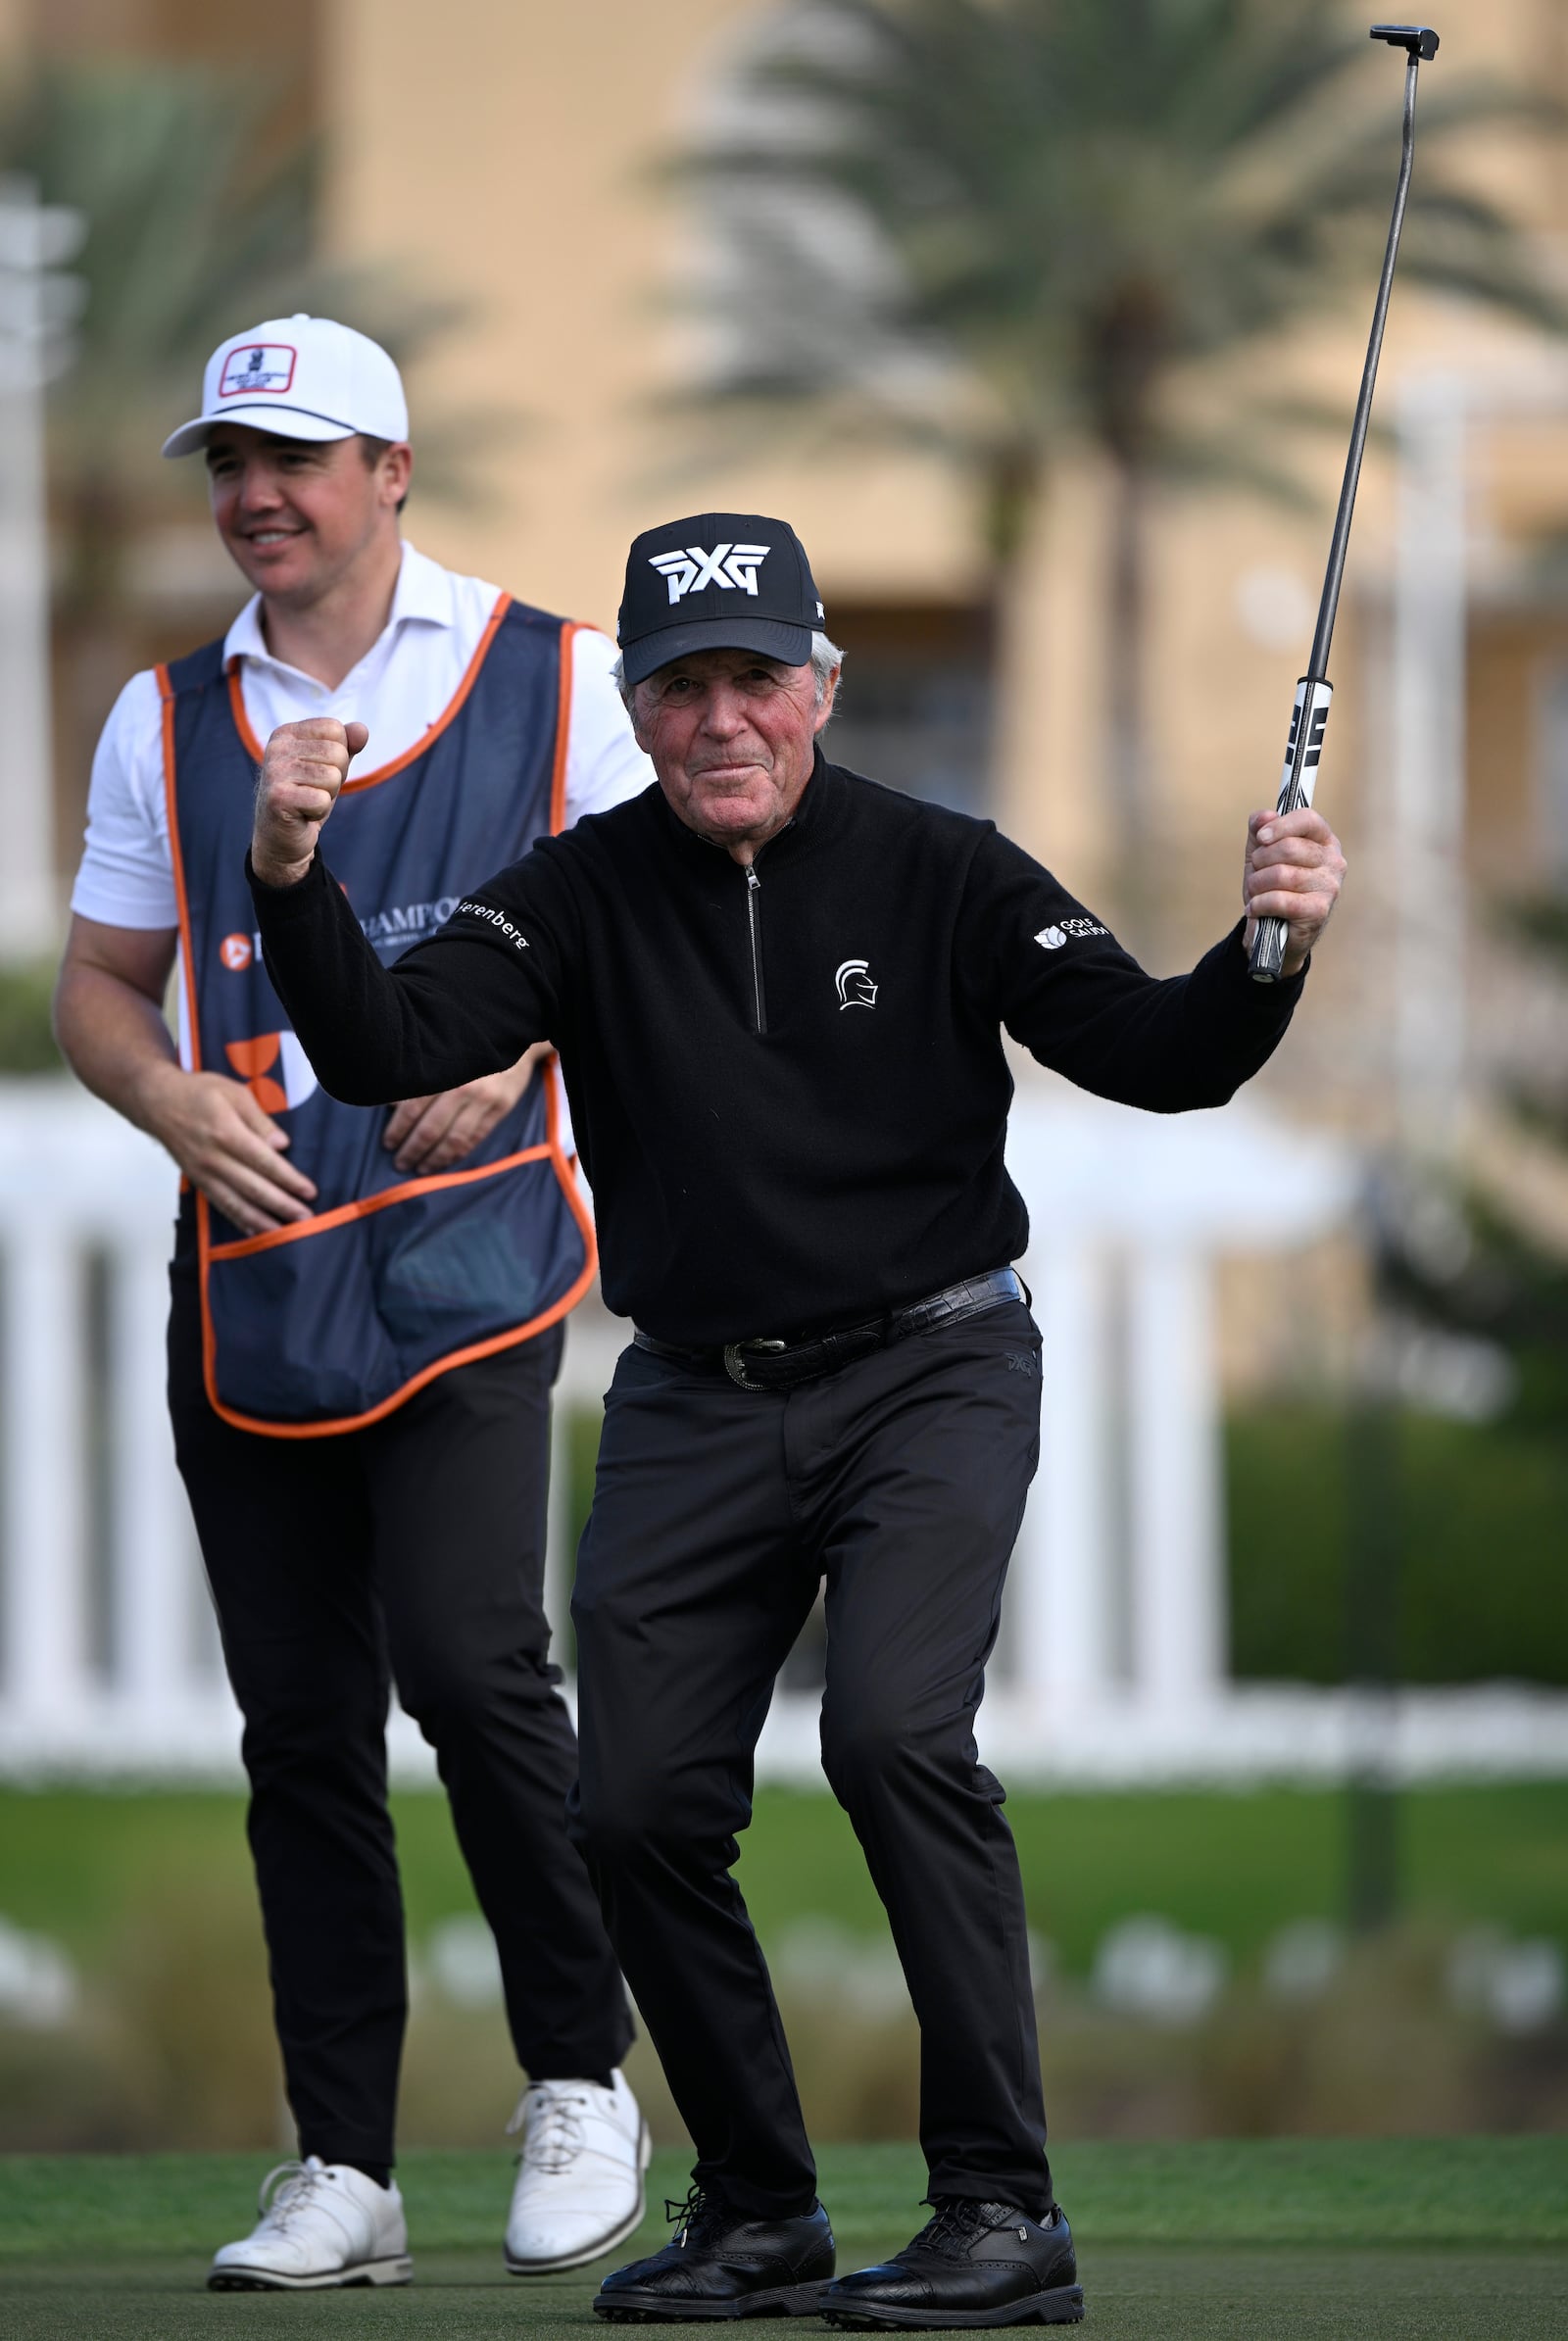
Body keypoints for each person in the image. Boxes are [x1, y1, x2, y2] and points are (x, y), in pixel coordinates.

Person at [242, 507, 1347, 2327]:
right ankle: (759, 2203)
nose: (723, 719)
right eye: (683, 686)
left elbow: (1164, 1055)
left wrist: (1266, 951)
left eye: (758, 676)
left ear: (822, 686)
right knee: (634, 1805)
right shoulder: (573, 896)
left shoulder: (946, 869)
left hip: (932, 1365)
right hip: (694, 1400)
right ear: (638, 704)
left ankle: (1004, 2210)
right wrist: (292, 874)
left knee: (898, 1737)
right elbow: (381, 1044)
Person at [53, 316, 653, 2293]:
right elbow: (102, 987)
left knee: (479, 1673)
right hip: (251, 1274)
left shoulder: (556, 674)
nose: (253, 498)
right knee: (300, 1727)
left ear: (391, 471)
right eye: (227, 464)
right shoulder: (163, 715)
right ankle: (344, 2168)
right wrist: (162, 1095)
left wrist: (541, 1026)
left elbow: (659, 915)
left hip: (469, 1256)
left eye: (293, 459)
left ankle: (579, 2074)